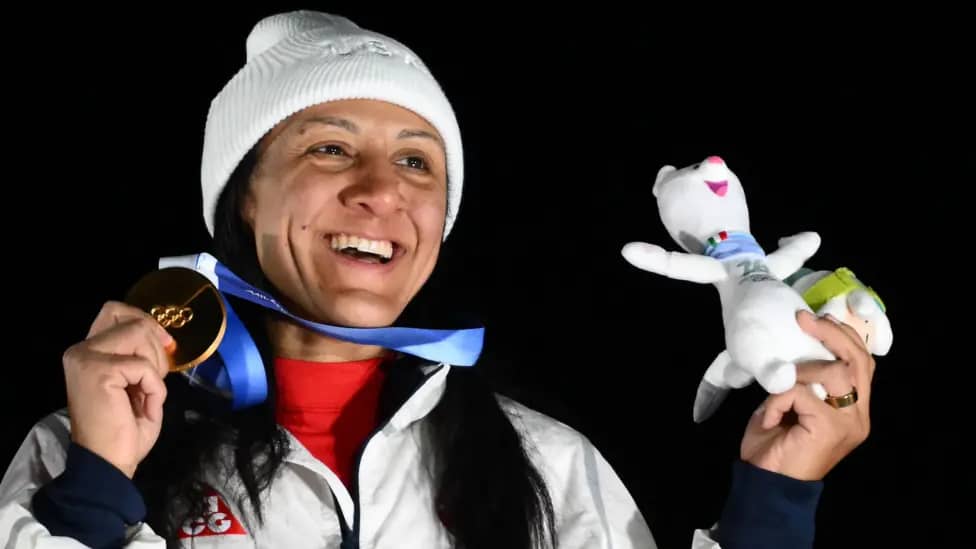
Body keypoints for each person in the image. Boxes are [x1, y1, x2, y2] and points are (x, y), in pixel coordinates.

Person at [0, 10, 875, 549]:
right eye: (330, 148)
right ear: (242, 204)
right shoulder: (82, 449)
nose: (381, 191)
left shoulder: (549, 466)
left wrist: (774, 500)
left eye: (418, 163)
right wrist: (99, 483)